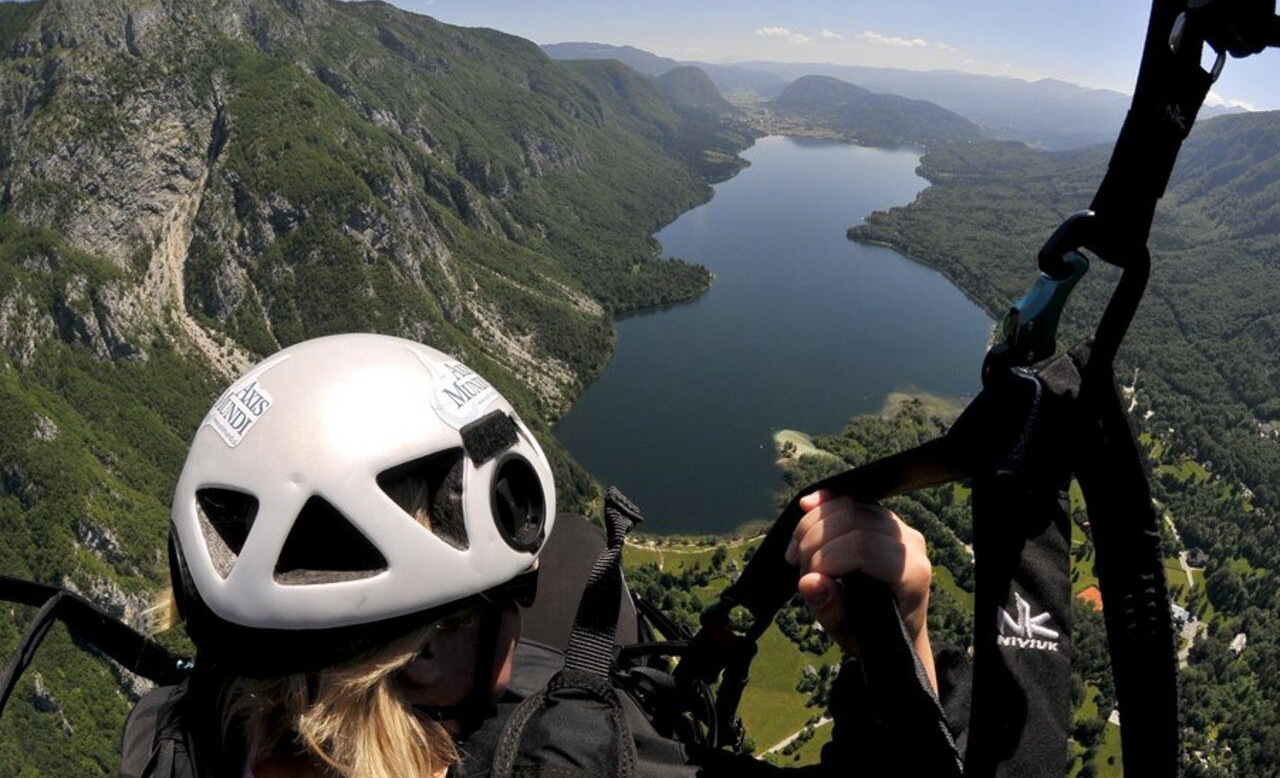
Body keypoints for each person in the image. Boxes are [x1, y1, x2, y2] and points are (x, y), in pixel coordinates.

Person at [132, 333, 950, 777]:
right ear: (416, 660)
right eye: (502, 599)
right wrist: (901, 636)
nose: (523, 610)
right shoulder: (567, 759)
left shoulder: (180, 734)